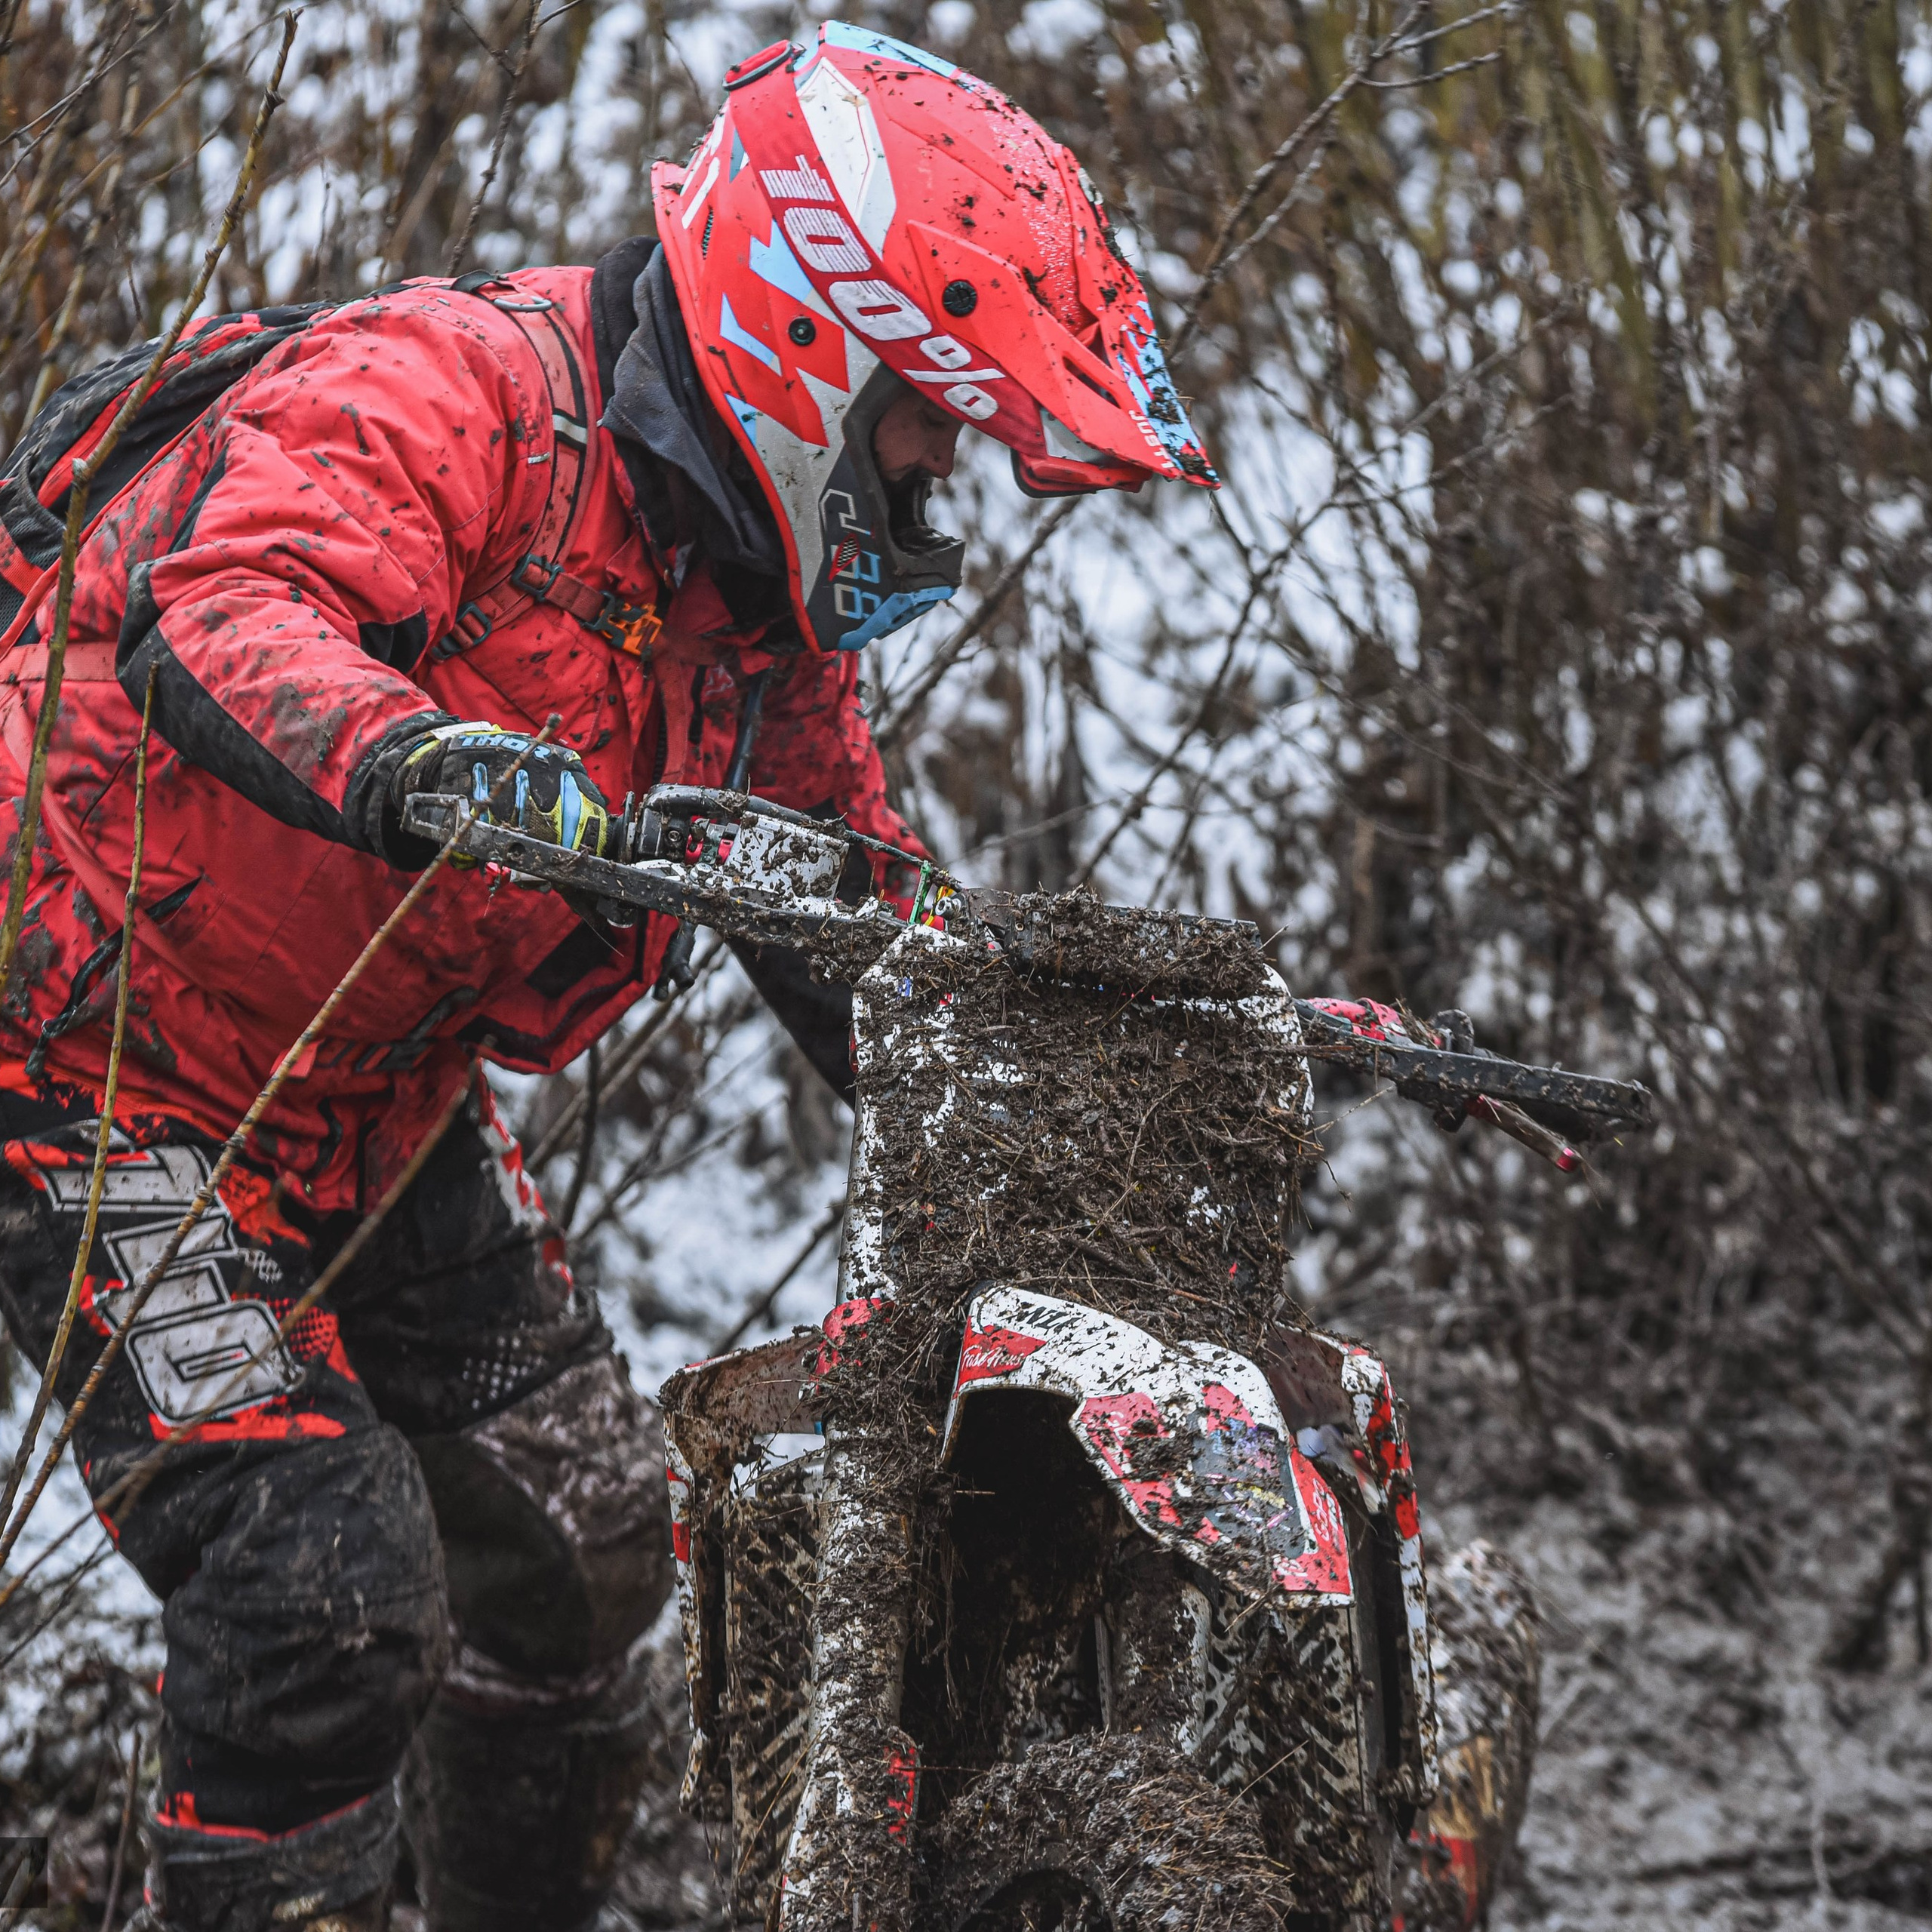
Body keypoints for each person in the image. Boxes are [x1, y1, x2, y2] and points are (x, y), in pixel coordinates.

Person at [0, 20, 1215, 1931]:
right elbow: (226, 599)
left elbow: (847, 911)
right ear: (813, 350)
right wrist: (413, 756)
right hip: (82, 1060)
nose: (940, 483)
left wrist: (1059, 1054)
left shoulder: (751, 619)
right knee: (315, 1596)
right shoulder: (459, 386)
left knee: (581, 1539)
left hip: (356, 1099)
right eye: (929, 428)